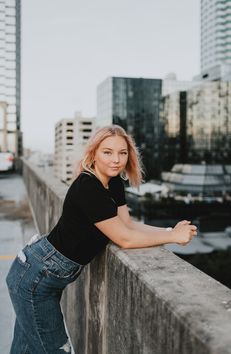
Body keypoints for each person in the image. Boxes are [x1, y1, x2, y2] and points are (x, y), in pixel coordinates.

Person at [6, 124, 197, 354]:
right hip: (35, 278)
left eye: (122, 153)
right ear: (93, 153)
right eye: (107, 152)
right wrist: (175, 237)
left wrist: (169, 232)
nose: (116, 160)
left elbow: (127, 225)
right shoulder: (88, 187)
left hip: (45, 275)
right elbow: (124, 239)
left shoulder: (113, 182)